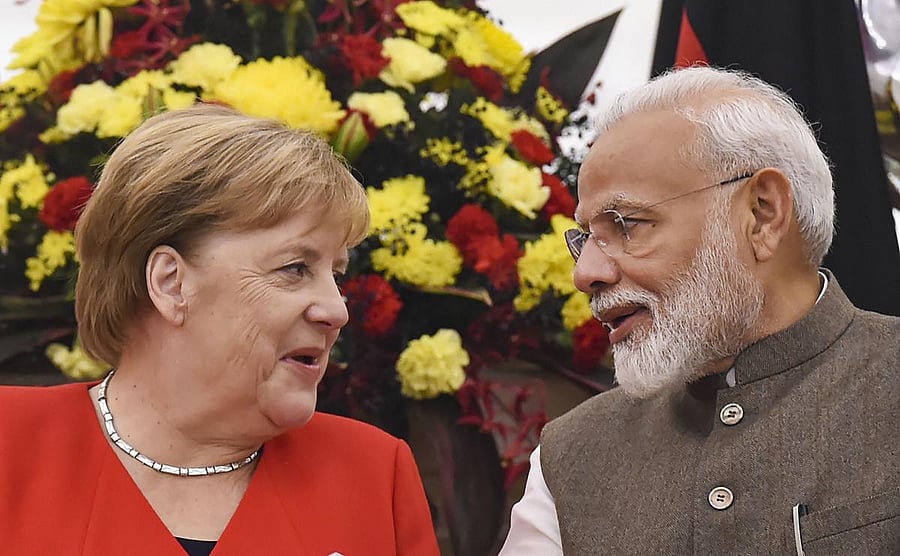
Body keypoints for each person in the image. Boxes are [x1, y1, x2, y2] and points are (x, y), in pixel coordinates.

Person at [0, 104, 441, 555]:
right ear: (171, 283)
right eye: (294, 268)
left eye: (337, 274)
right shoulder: (9, 442)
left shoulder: (372, 476)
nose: (336, 310)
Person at [500, 66, 899, 555]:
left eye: (627, 224)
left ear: (763, 214)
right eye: (585, 237)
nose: (586, 274)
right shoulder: (569, 456)